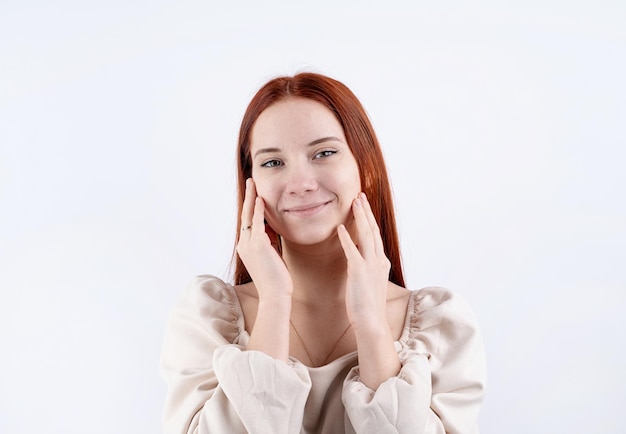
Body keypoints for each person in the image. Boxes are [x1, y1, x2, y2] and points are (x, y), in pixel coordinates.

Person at [160, 72, 487, 433]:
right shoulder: (206, 321)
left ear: (368, 168)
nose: (300, 183)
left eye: (324, 153)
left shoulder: (440, 327)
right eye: (272, 162)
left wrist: (372, 325)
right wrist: (273, 301)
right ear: (250, 182)